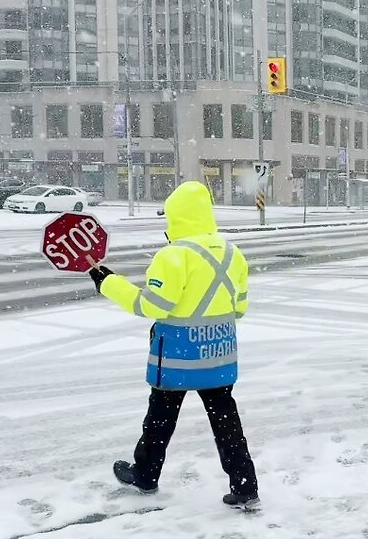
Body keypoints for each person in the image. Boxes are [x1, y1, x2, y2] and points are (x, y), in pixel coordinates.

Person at [86, 181, 260, 509]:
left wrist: (108, 283)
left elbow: (152, 306)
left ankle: (146, 475)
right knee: (226, 420)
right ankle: (245, 484)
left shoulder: (173, 256)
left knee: (160, 419)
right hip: (218, 355)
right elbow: (239, 308)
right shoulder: (232, 253)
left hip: (179, 358)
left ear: (176, 218)